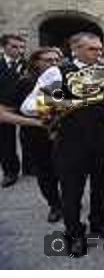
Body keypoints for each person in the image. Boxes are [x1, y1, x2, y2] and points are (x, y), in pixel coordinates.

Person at [21, 33, 104, 257]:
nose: (99, 54)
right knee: (71, 190)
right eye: (92, 49)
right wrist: (60, 100)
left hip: (102, 139)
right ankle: (74, 233)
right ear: (75, 50)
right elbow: (28, 105)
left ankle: (98, 222)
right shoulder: (56, 72)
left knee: (101, 185)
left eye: (100, 49)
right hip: (71, 141)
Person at [9, 48, 63, 221]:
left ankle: (69, 199)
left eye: (57, 60)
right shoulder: (25, 82)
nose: (54, 64)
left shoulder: (63, 80)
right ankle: (54, 205)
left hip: (62, 134)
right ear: (36, 62)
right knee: (46, 173)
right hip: (35, 136)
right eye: (49, 60)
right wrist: (38, 122)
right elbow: (7, 113)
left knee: (67, 170)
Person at [0, 34, 26, 187]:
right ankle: (10, 171)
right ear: (4, 47)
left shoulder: (28, 64)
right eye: (14, 47)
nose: (19, 51)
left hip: (24, 107)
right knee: (5, 141)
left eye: (22, 47)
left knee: (30, 137)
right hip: (4, 108)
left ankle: (31, 166)